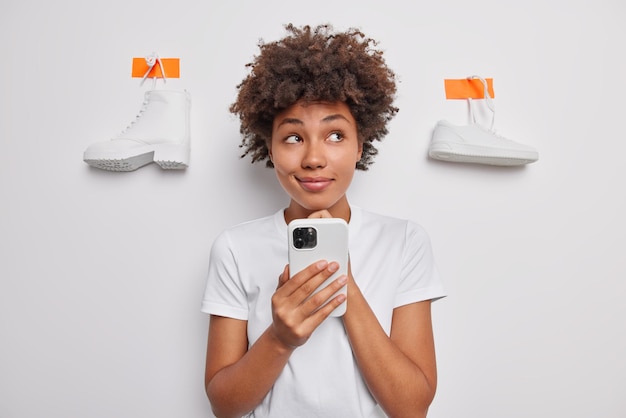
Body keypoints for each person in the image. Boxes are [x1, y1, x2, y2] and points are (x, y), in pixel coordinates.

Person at [201, 23, 446, 418]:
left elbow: (411, 407)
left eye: (334, 135)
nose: (314, 157)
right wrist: (280, 338)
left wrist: (342, 284)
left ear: (359, 146)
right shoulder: (234, 248)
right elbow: (224, 406)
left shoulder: (404, 241)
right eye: (294, 137)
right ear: (270, 148)